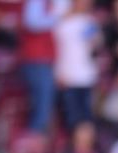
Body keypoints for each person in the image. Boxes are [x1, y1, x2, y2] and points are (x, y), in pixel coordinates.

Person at [20, 0, 68, 132]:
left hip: (47, 58)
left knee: (45, 101)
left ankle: (38, 138)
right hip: (37, 59)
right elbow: (32, 22)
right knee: (42, 101)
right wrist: (57, 18)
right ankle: (34, 139)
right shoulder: (36, 2)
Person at [54, 0, 101, 132]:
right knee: (72, 120)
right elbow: (56, 49)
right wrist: (58, 73)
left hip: (87, 76)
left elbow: (95, 46)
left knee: (87, 119)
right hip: (68, 77)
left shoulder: (90, 22)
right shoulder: (61, 21)